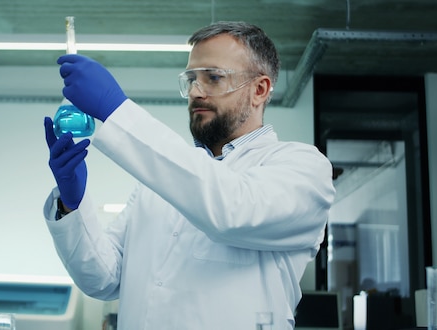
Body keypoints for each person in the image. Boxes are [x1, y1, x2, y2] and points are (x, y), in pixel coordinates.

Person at [42, 21, 335, 329]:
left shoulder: (302, 168)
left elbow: (231, 211)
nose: (196, 91)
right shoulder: (159, 183)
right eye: (191, 79)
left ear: (259, 90)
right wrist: (71, 206)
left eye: (213, 78)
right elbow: (103, 278)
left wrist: (117, 110)